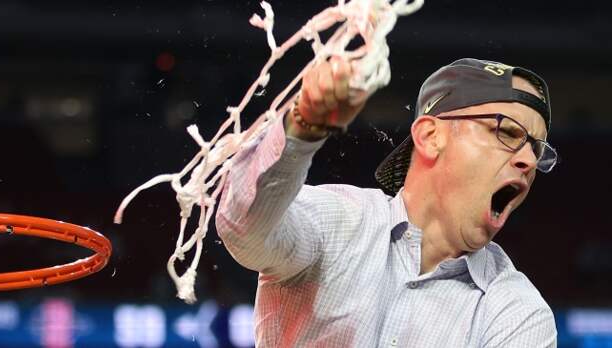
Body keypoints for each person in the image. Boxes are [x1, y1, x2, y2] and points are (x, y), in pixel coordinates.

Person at [216, 57, 558, 347]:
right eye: (507, 132)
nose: (528, 160)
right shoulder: (340, 221)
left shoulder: (519, 313)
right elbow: (244, 230)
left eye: (537, 148)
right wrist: (301, 130)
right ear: (429, 136)